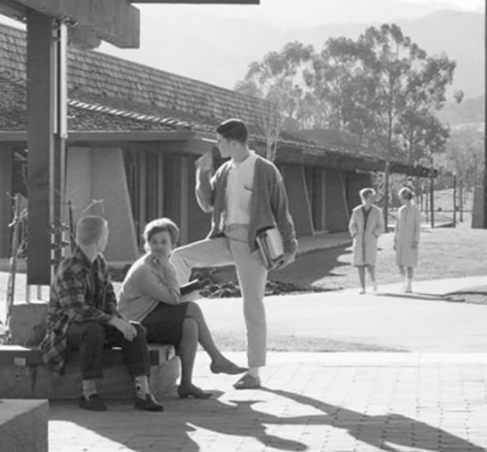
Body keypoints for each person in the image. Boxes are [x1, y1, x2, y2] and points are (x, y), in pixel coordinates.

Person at [171, 119, 297, 391]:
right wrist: (202, 174)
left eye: (219, 141)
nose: (217, 146)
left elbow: (281, 208)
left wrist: (290, 247)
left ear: (233, 142)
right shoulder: (225, 170)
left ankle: (253, 372)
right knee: (179, 257)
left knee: (252, 306)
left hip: (253, 244)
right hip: (225, 237)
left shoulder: (264, 169)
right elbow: (206, 205)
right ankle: (175, 310)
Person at [41, 214, 162, 412]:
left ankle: (143, 392)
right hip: (65, 330)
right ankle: (88, 393)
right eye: (106, 234)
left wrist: (121, 322)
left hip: (96, 323)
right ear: (98, 240)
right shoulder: (69, 268)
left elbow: (109, 300)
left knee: (136, 330)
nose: (108, 238)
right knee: (93, 329)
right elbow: (76, 312)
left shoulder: (99, 262)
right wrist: (112, 321)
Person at [118, 218, 246, 397]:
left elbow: (171, 295)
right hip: (136, 323)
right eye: (154, 242)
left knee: (190, 325)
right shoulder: (145, 270)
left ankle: (186, 384)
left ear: (172, 245)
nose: (158, 246)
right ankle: (217, 359)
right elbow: (173, 298)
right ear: (147, 244)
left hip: (151, 313)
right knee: (191, 308)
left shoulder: (158, 264)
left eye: (164, 242)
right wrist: (168, 268)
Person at [349, 187, 385, 293]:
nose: (373, 198)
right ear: (365, 198)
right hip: (359, 240)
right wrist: (355, 234)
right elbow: (352, 225)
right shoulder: (356, 211)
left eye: (373, 196)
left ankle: (374, 283)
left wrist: (375, 234)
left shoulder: (377, 211)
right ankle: (362, 287)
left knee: (370, 264)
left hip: (370, 240)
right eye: (370, 197)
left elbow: (381, 226)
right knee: (360, 264)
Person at [393, 185, 421, 293]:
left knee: (409, 263)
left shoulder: (415, 210)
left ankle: (409, 285)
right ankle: (403, 283)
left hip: (410, 240)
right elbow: (397, 226)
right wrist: (395, 240)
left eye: (401, 197)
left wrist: (416, 240)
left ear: (405, 197)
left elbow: (417, 227)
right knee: (400, 263)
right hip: (401, 240)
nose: (400, 199)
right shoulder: (400, 210)